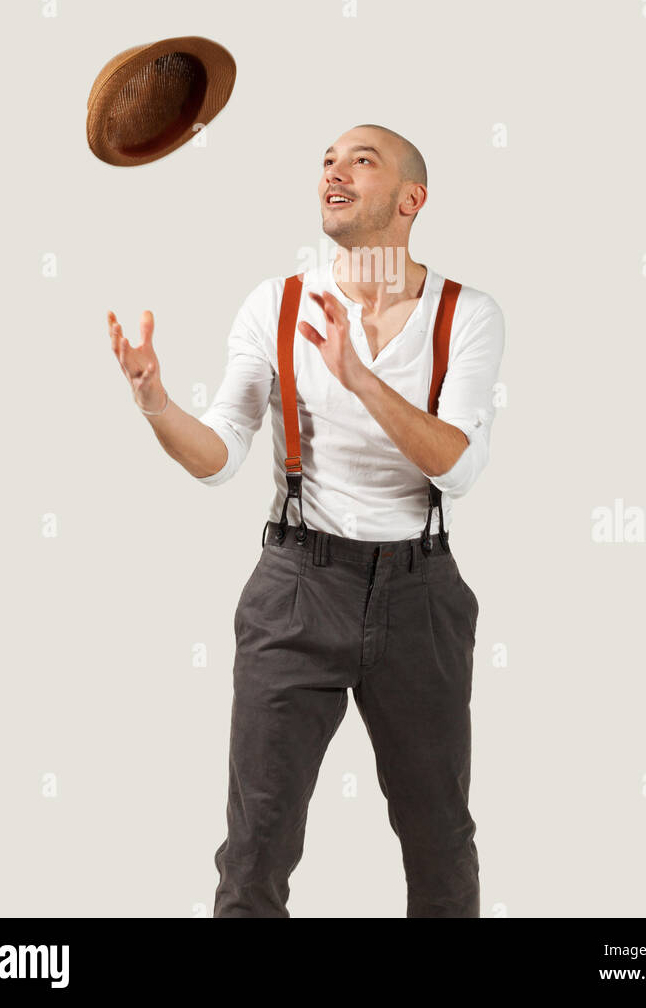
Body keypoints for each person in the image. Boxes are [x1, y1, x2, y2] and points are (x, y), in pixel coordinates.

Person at [107, 123, 505, 917]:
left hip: (420, 594)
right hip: (297, 584)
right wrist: (155, 402)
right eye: (327, 158)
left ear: (410, 198)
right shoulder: (278, 303)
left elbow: (456, 465)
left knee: (439, 840)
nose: (335, 169)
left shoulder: (468, 313)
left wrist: (360, 379)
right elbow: (220, 457)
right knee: (256, 844)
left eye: (363, 159)